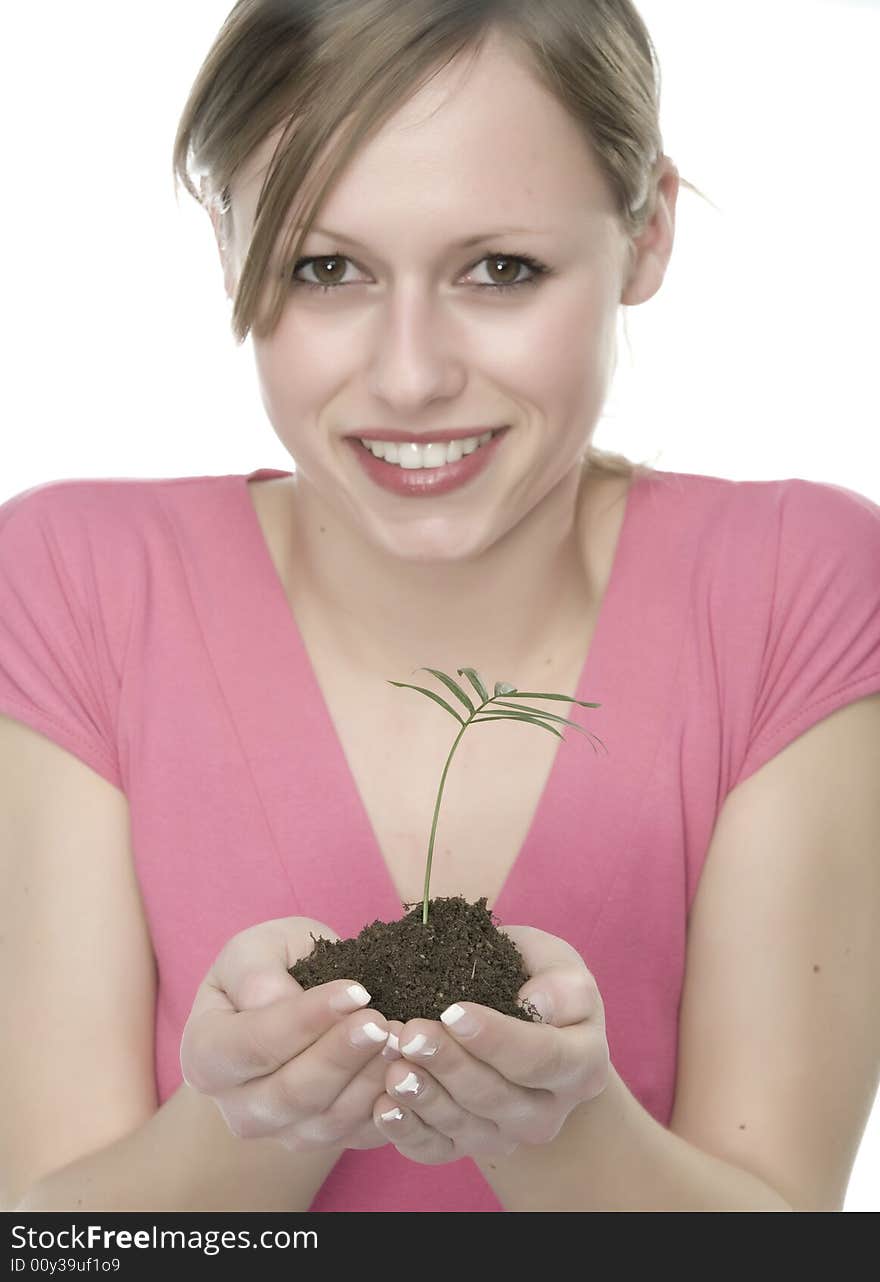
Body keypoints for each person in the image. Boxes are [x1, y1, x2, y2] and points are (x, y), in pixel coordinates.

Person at [2, 0, 878, 1214]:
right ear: (229, 249)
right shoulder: (75, 583)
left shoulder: (796, 586)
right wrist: (249, 1121)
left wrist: (561, 1130)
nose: (410, 376)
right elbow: (48, 1241)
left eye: (500, 269)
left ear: (646, 233)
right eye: (327, 268)